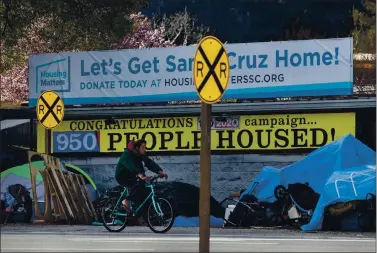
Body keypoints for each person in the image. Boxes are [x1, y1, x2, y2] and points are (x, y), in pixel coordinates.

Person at [115, 139, 168, 213]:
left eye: (145, 147)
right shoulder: (127, 154)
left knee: (143, 191)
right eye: (143, 147)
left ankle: (140, 216)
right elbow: (131, 166)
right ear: (137, 148)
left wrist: (160, 171)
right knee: (138, 183)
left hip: (134, 175)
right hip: (123, 176)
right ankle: (126, 200)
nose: (144, 149)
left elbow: (149, 163)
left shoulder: (141, 155)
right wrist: (140, 175)